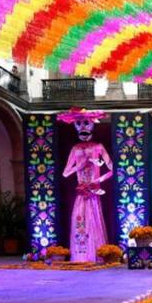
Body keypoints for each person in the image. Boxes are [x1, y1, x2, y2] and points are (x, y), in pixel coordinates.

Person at [58, 108, 112, 262]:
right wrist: (79, 166)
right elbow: (65, 173)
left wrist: (98, 181)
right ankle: (81, 254)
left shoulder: (98, 147)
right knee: (81, 221)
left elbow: (112, 169)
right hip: (81, 192)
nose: (82, 127)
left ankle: (96, 253)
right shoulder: (75, 149)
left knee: (94, 221)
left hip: (93, 192)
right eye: (79, 123)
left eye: (86, 123)